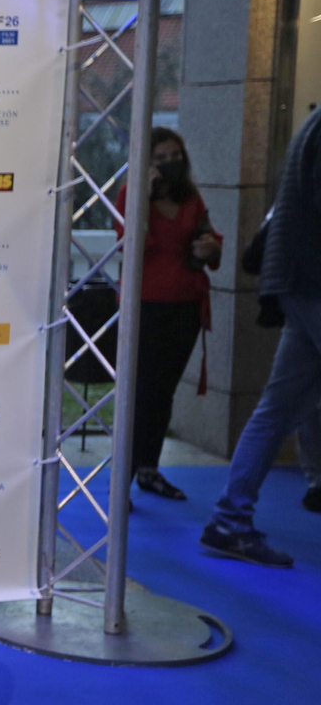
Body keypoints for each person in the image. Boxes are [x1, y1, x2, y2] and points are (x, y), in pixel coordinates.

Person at [203, 104, 321, 567]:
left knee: (276, 409)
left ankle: (230, 521)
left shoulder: (312, 125)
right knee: (276, 410)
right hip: (311, 281)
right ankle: (229, 521)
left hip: (298, 282)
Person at [114, 127, 223, 499]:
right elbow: (131, 246)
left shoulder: (191, 197)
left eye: (175, 156)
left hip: (186, 307)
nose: (169, 163)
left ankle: (149, 469)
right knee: (140, 394)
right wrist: (143, 198)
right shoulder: (130, 196)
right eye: (160, 158)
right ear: (145, 162)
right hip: (144, 308)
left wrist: (210, 247)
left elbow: (209, 239)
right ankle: (122, 479)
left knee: (163, 393)